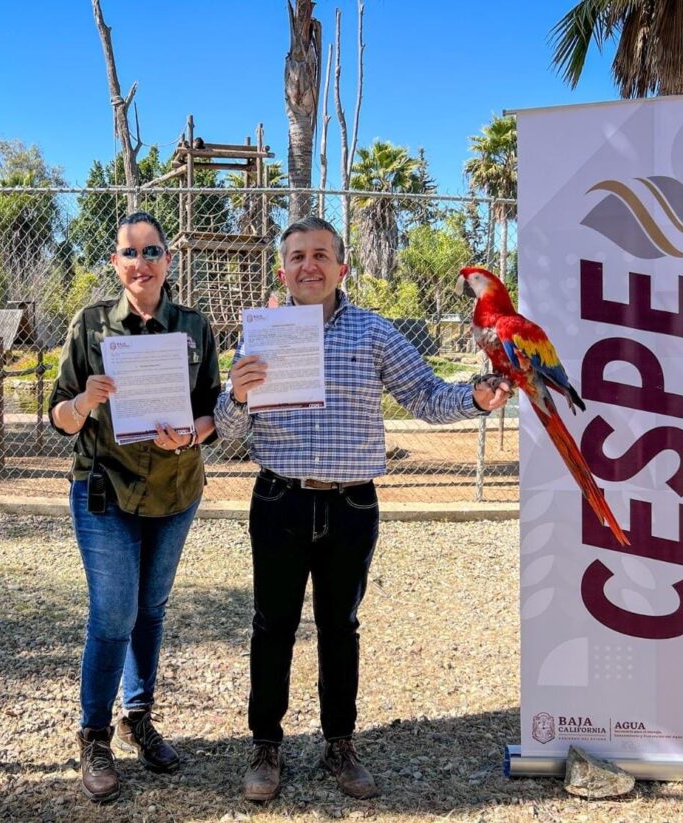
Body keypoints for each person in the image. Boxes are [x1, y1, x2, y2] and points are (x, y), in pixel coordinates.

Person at [213, 216, 510, 802]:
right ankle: (266, 747)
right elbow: (226, 434)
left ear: (341, 269)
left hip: (351, 503)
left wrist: (475, 397)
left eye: (321, 254)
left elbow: (426, 396)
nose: (309, 265)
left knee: (339, 627)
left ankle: (339, 744)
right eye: (297, 256)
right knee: (271, 625)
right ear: (282, 271)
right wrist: (237, 394)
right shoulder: (261, 337)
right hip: (279, 499)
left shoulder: (374, 334)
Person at [49, 211, 220, 803]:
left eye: (152, 251)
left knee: (151, 609)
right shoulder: (91, 325)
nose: (141, 263)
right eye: (130, 253)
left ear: (168, 260)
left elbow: (211, 409)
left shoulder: (194, 327)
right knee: (114, 612)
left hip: (175, 490)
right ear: (116, 263)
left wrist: (192, 435)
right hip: (106, 489)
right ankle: (94, 734)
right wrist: (84, 401)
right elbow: (58, 416)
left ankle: (137, 716)